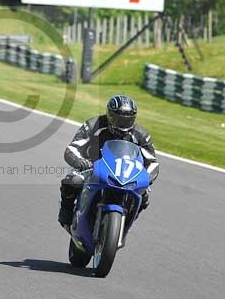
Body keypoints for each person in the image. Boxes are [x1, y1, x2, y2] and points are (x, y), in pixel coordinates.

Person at [59, 94, 159, 227]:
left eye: (127, 121)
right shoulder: (93, 125)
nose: (122, 125)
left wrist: (146, 176)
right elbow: (72, 148)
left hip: (125, 174)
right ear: (110, 115)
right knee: (72, 181)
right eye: (119, 120)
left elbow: (152, 162)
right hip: (92, 169)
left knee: (144, 195)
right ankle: (65, 213)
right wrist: (80, 162)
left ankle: (124, 224)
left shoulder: (141, 135)